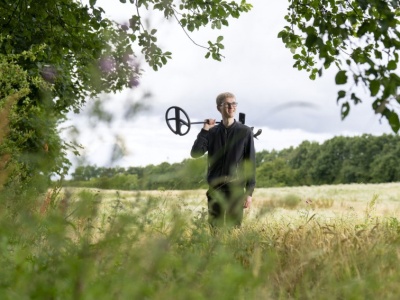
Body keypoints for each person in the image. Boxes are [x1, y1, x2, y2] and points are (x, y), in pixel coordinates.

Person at [190, 92, 256, 228]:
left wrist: (249, 193)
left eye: (234, 104)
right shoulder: (212, 132)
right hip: (215, 190)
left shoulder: (245, 132)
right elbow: (196, 153)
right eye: (227, 104)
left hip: (236, 191)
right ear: (218, 108)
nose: (231, 107)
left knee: (234, 231)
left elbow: (250, 163)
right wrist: (204, 131)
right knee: (215, 231)